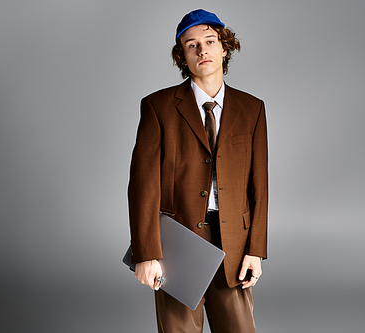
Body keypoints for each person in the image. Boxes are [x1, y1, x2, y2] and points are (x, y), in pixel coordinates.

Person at [128, 9, 268, 332]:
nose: (202, 50)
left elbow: (259, 186)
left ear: (224, 47)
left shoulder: (252, 110)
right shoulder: (157, 107)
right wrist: (146, 252)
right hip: (177, 246)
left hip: (233, 242)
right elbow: (142, 186)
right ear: (183, 56)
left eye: (209, 41)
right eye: (191, 45)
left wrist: (255, 251)